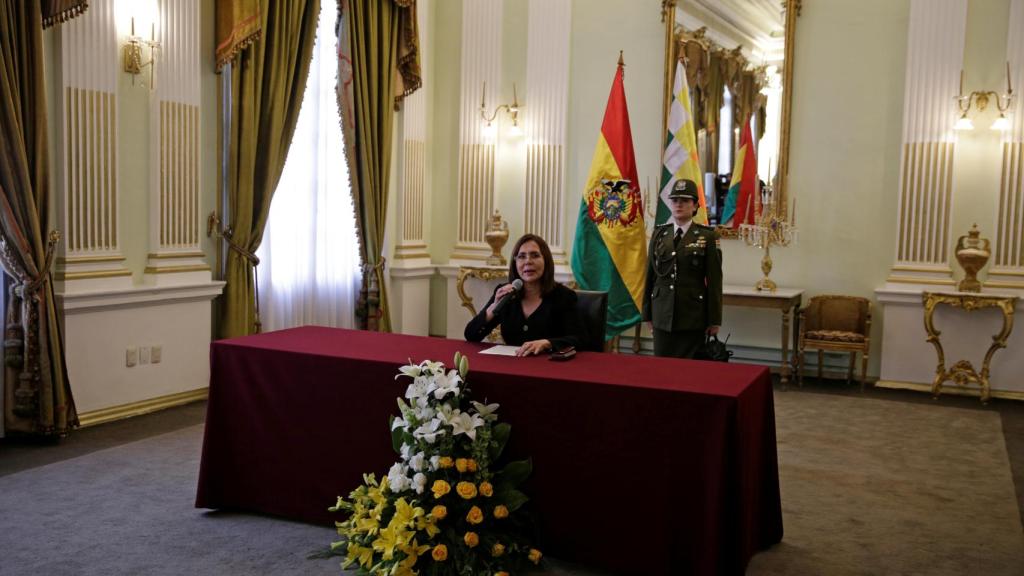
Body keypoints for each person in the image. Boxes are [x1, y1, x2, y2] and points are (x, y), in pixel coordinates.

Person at [642, 179, 723, 358]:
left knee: (689, 371)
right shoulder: (659, 234)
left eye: (685, 201)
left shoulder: (707, 236)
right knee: (662, 369)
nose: (679, 205)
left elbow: (715, 282)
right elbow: (650, 276)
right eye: (675, 200)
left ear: (695, 206)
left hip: (692, 315)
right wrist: (646, 314)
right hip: (661, 313)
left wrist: (714, 320)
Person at [465, 234, 583, 356]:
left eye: (535, 255)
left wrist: (547, 343)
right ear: (515, 263)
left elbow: (580, 339)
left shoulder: (564, 296)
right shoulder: (506, 293)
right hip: (512, 366)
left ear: (546, 261)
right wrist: (493, 307)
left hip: (549, 367)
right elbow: (471, 335)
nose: (528, 261)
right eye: (521, 256)